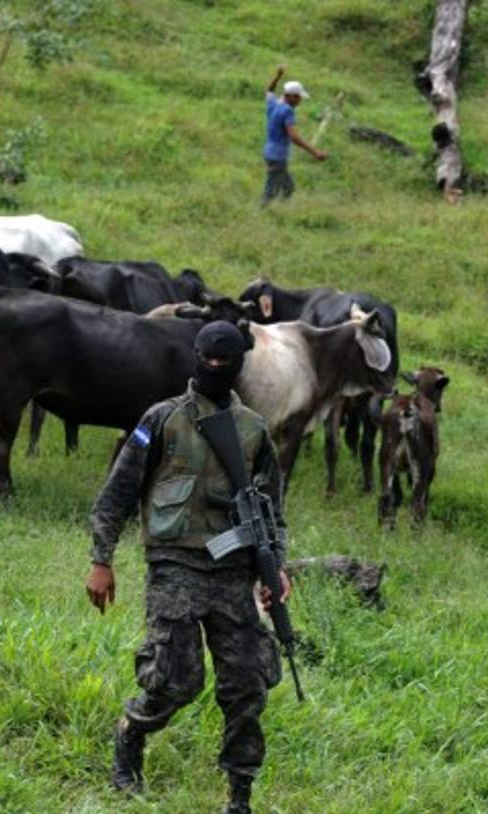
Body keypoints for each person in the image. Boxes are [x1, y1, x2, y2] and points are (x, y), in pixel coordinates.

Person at [86, 321, 293, 814]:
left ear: (241, 362)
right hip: (174, 563)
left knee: (246, 684)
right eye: (209, 359)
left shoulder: (254, 430)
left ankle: (239, 796)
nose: (217, 367)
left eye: (227, 361)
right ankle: (132, 733)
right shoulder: (162, 419)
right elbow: (118, 491)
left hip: (233, 570)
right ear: (195, 357)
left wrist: (275, 569)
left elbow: (273, 511)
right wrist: (101, 559)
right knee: (175, 680)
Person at [261, 64, 327, 204]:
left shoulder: (274, 105)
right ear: (290, 96)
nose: (299, 101)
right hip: (278, 156)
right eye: (298, 97)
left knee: (288, 187)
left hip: (269, 152)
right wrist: (314, 151)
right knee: (271, 190)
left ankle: (281, 213)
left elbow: (269, 91)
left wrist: (277, 76)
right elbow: (294, 137)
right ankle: (261, 213)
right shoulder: (287, 111)